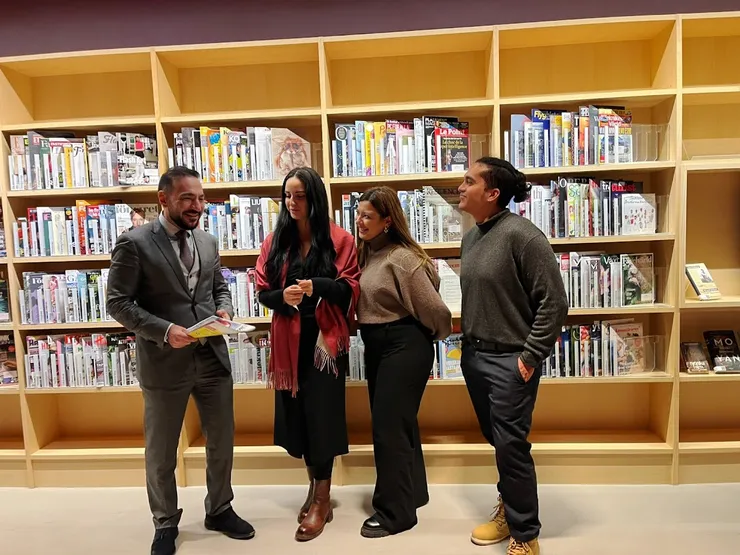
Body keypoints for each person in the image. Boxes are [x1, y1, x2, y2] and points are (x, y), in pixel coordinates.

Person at [106, 166, 255, 555]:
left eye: (201, 198)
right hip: (163, 361)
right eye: (188, 198)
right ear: (164, 199)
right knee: (162, 449)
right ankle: (165, 521)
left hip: (211, 357)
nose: (197, 206)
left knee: (221, 440)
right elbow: (118, 303)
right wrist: (163, 330)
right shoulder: (134, 243)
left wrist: (223, 310)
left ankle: (220, 509)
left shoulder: (207, 241)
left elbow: (218, 287)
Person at [457, 157, 568, 555]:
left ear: (492, 193)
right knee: (498, 441)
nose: (460, 186)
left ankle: (525, 536)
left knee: (511, 446)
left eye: (469, 181)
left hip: (511, 362)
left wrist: (530, 356)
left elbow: (554, 303)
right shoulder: (471, 237)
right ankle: (509, 510)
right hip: (475, 358)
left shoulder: (524, 237)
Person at [254, 166, 361, 542]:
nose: (292, 203)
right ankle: (315, 488)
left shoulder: (339, 239)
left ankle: (322, 499)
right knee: (297, 416)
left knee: (323, 418)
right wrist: (281, 297)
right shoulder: (275, 241)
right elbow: (262, 292)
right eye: (287, 196)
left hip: (324, 343)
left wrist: (316, 285)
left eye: (300, 196)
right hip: (288, 340)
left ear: (315, 197)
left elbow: (349, 290)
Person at [354, 186, 453, 539]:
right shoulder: (368, 255)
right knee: (401, 423)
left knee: (388, 428)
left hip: (404, 345)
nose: (360, 220)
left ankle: (397, 514)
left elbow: (437, 311)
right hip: (378, 347)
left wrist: (427, 337)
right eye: (359, 213)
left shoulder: (402, 258)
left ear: (387, 221)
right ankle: (413, 493)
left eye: (368, 215)